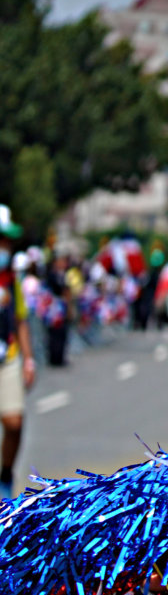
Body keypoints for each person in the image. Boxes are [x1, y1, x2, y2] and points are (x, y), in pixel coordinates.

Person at [0, 209, 34, 499]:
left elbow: (20, 319)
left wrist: (29, 359)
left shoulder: (11, 279)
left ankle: (5, 473)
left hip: (7, 354)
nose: (5, 248)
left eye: (7, 242)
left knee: (14, 422)